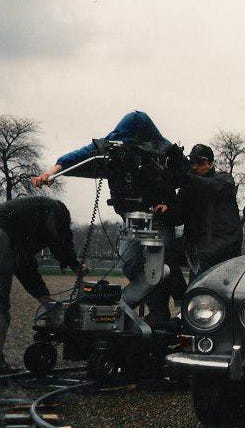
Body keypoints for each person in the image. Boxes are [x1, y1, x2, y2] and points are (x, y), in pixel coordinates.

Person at [33, 111, 183, 309]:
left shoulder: (166, 153)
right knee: (129, 262)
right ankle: (140, 299)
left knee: (163, 263)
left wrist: (169, 204)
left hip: (158, 220)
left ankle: (165, 309)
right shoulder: (112, 147)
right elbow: (78, 157)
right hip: (131, 218)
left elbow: (184, 180)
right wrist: (51, 172)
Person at [146, 144, 243, 324]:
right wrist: (166, 209)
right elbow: (178, 216)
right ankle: (175, 303)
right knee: (162, 254)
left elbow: (209, 187)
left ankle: (191, 312)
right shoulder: (189, 186)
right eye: (192, 162)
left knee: (201, 268)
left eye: (200, 162)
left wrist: (182, 177)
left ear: (211, 163)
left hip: (221, 244)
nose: (195, 166)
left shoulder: (224, 180)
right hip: (195, 243)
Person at [0, 197, 83, 371]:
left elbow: (26, 263)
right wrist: (73, 265)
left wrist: (44, 296)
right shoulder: (50, 215)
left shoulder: (31, 215)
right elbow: (27, 263)